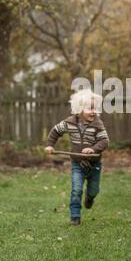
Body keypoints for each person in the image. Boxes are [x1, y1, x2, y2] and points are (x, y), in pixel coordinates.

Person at [45, 89, 109, 226]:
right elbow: (56, 131)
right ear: (79, 109)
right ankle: (75, 216)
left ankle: (90, 198)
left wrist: (93, 149)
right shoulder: (69, 123)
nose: (93, 111)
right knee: (76, 189)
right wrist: (50, 145)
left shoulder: (98, 124)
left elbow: (105, 141)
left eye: (95, 108)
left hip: (94, 165)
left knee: (93, 190)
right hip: (77, 164)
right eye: (89, 108)